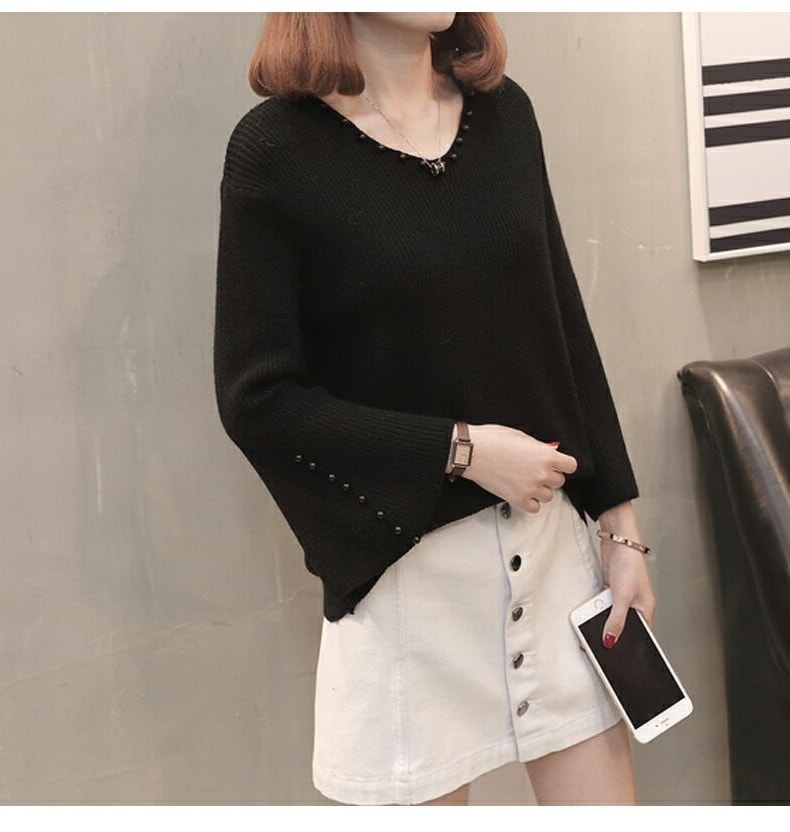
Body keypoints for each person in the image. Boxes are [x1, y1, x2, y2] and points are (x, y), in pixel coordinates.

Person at [213, 11, 656, 806]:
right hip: (410, 593)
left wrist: (620, 528)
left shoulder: (506, 114)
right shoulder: (274, 152)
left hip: (554, 561)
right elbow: (258, 401)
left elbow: (563, 324)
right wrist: (462, 449)